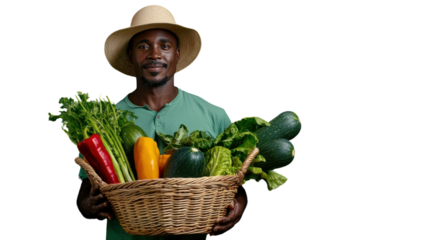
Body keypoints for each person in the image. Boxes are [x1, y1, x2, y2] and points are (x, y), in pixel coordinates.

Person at [75, 3, 249, 240]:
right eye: (143, 46)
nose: (154, 54)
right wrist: (87, 205)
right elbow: (86, 186)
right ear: (130, 55)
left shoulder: (214, 114)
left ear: (176, 54)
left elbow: (237, 181)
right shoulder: (105, 120)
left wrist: (239, 204)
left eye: (164, 46)